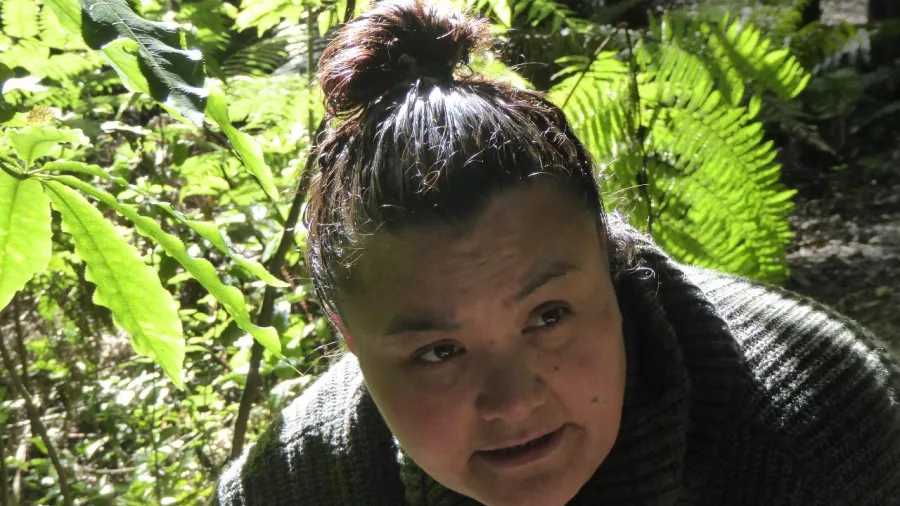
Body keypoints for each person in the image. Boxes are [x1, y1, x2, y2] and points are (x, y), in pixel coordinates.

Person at [214, 1, 900, 504]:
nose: (512, 404)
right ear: (350, 342)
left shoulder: (822, 427)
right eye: (439, 352)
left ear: (614, 263)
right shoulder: (298, 483)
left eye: (549, 315)